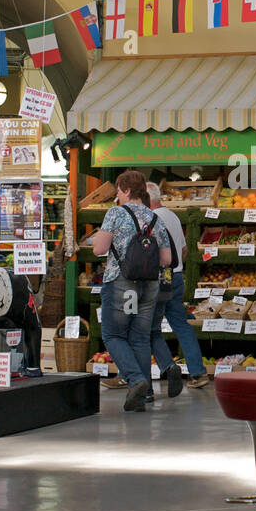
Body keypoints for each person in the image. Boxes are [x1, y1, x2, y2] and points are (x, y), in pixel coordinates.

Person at [90, 170, 171, 412]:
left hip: (122, 283)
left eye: (118, 190)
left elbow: (98, 249)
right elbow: (166, 259)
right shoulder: (155, 217)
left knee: (114, 335)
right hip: (150, 286)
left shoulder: (116, 213)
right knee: (140, 337)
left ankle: (136, 380)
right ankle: (145, 394)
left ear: (126, 191)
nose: (117, 195)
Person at [146, 182, 210, 390]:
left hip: (159, 278)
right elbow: (183, 250)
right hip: (176, 277)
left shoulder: (152, 218)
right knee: (181, 325)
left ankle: (158, 368)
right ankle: (198, 373)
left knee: (148, 328)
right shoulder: (172, 216)